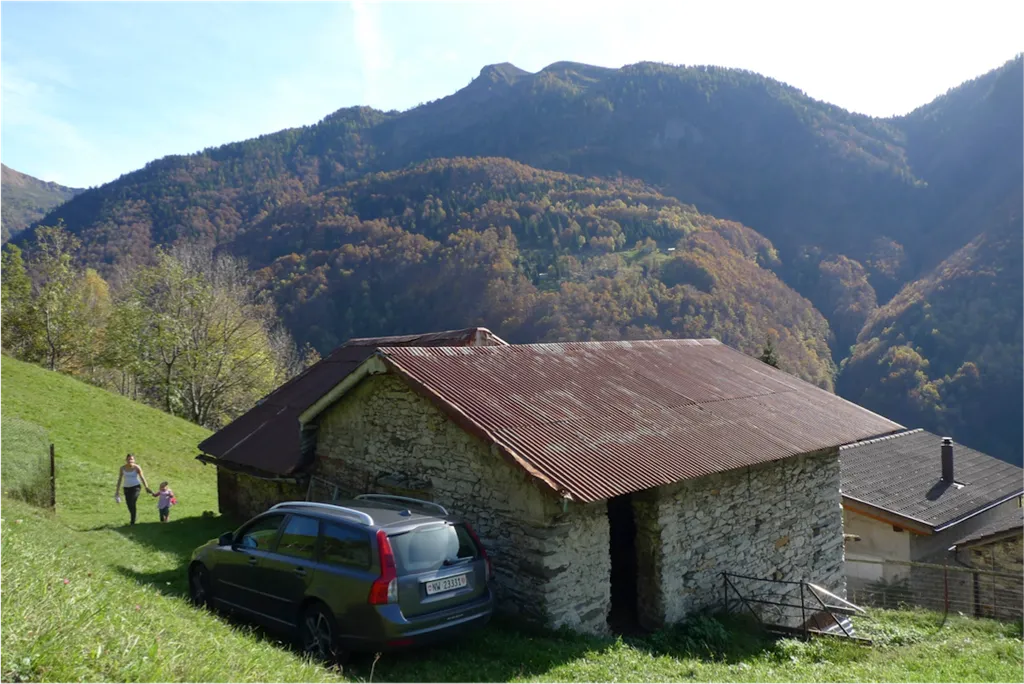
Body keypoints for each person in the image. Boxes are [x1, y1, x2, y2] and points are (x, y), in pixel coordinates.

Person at [114, 453, 152, 525]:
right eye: (128, 459)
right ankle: (134, 516)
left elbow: (142, 477)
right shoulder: (122, 468)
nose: (130, 460)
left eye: (131, 459)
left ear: (134, 460)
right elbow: (120, 479)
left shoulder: (137, 467)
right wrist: (117, 491)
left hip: (136, 487)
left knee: (132, 501)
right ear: (126, 460)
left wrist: (146, 487)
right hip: (126, 488)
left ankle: (132, 520)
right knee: (129, 504)